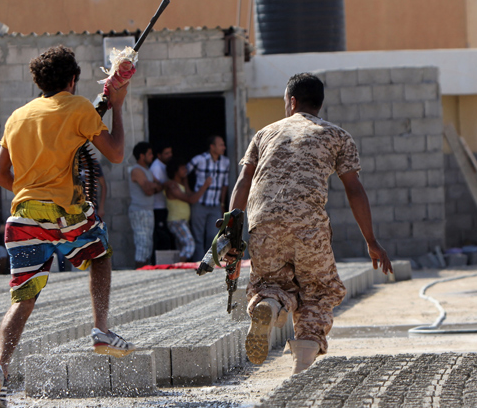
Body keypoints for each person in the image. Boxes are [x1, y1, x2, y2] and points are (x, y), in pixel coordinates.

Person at [0, 45, 132, 408]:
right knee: (100, 254)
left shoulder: (17, 117)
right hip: (65, 212)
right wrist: (116, 104)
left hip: (22, 216)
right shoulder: (79, 107)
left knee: (22, 301)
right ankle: (100, 328)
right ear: (72, 79)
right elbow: (115, 153)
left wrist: (30, 190)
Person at [228, 73, 392, 375]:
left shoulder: (264, 134)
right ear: (319, 103)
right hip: (308, 228)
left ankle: (270, 305)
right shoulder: (337, 136)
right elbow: (354, 189)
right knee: (318, 292)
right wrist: (371, 240)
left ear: (291, 102)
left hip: (262, 224)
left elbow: (242, 181)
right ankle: (302, 360)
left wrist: (231, 237)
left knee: (269, 283)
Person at [187, 135, 230, 260]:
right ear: (212, 147)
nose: (224, 147)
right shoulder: (199, 159)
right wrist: (189, 192)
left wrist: (222, 204)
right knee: (197, 236)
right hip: (199, 203)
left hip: (215, 205)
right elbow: (183, 173)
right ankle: (198, 263)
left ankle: (210, 263)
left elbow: (225, 185)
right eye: (221, 145)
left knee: (213, 235)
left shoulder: (225, 162)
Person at [165, 159, 212, 262]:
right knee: (189, 245)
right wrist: (205, 186)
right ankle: (177, 266)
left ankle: (179, 266)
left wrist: (185, 181)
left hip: (182, 221)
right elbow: (192, 199)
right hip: (176, 221)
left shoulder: (180, 184)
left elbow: (189, 194)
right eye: (182, 169)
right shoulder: (173, 186)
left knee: (181, 247)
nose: (185, 170)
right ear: (175, 171)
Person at [129, 141, 163, 268]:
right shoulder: (137, 170)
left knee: (148, 244)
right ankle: (139, 272)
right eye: (149, 153)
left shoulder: (147, 171)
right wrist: (154, 186)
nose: (152, 156)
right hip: (139, 211)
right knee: (142, 244)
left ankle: (145, 271)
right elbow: (148, 190)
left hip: (148, 211)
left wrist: (154, 186)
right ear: (141, 156)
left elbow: (159, 186)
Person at [150, 143, 174, 254]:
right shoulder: (156, 167)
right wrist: (167, 184)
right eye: (166, 153)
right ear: (159, 155)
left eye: (170, 153)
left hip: (165, 206)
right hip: (157, 207)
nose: (170, 155)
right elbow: (156, 187)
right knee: (161, 236)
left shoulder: (164, 166)